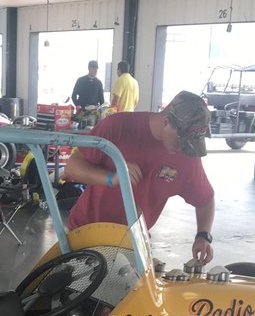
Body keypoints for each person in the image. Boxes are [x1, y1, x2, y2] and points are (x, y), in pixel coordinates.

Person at [65, 90, 215, 264]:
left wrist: (203, 236)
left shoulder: (188, 157)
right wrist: (111, 177)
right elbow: (72, 167)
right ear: (166, 122)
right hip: (86, 235)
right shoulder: (118, 126)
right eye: (183, 141)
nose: (184, 149)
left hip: (134, 243)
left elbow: (205, 199)